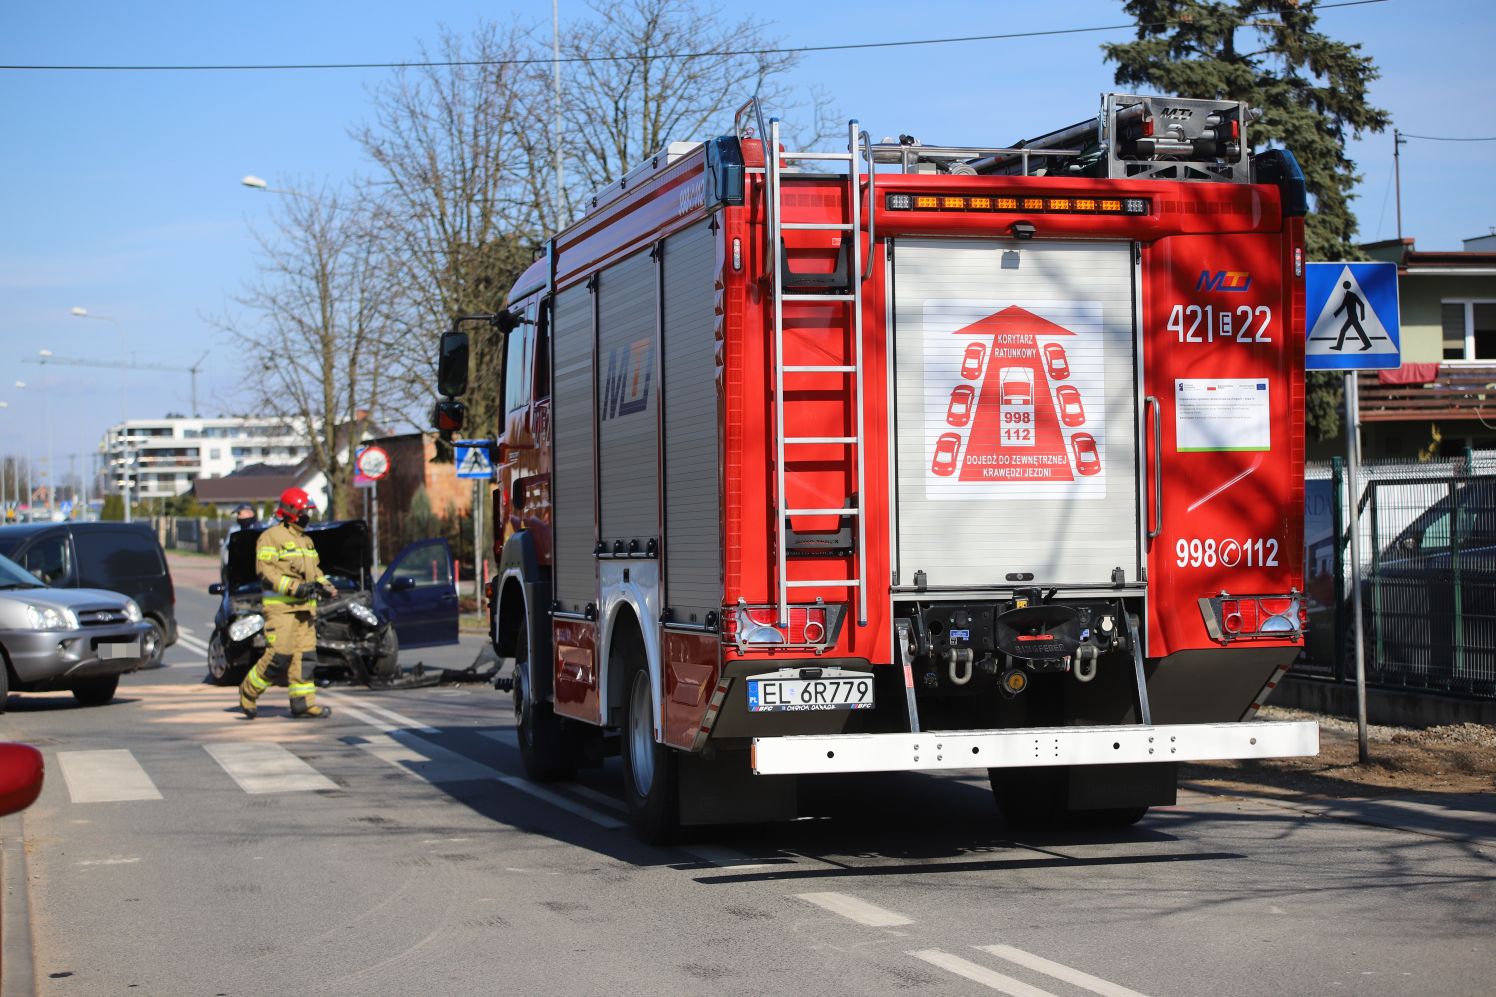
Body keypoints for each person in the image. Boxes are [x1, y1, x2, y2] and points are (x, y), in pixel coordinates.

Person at [238, 487, 336, 719]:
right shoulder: (271, 537)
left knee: (305, 658)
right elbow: (265, 571)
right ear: (291, 512)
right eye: (304, 511)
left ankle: (303, 703)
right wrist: (294, 588)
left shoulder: (306, 540)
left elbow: (315, 571)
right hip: (282, 610)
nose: (307, 516)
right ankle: (249, 692)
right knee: (279, 655)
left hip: (305, 609)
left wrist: (326, 586)